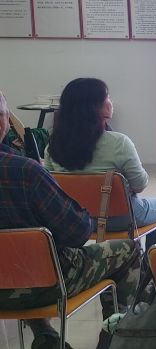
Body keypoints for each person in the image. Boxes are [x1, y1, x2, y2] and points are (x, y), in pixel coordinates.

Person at [0, 89, 141, 349]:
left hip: (10, 284)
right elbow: (77, 233)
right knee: (128, 250)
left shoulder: (45, 155)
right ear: (5, 122)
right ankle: (115, 339)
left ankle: (46, 336)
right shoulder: (25, 171)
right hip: (44, 283)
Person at [43, 78, 156, 240]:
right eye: (108, 97)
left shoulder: (53, 146)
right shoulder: (119, 143)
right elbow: (140, 185)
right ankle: (152, 256)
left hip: (74, 219)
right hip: (121, 219)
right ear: (94, 107)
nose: (111, 102)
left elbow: (51, 188)